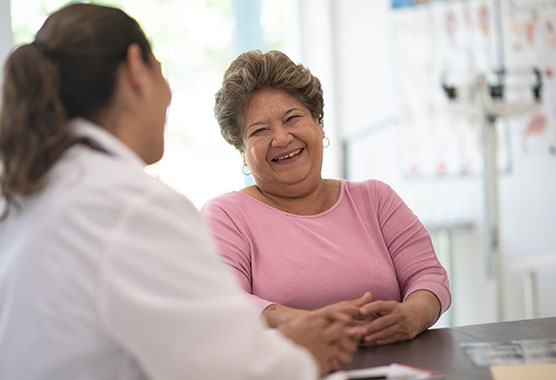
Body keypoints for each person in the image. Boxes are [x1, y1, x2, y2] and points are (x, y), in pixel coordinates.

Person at [0, 5, 362, 380]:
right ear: (136, 69)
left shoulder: (29, 192)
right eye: (162, 70)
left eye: (292, 118)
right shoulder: (130, 205)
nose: (169, 96)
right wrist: (302, 352)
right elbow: (229, 368)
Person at [202, 50, 452, 346]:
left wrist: (412, 315)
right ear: (242, 150)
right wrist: (300, 323)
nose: (281, 138)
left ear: (319, 124)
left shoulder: (375, 199)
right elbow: (224, 302)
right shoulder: (226, 215)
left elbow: (428, 276)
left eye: (292, 118)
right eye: (259, 131)